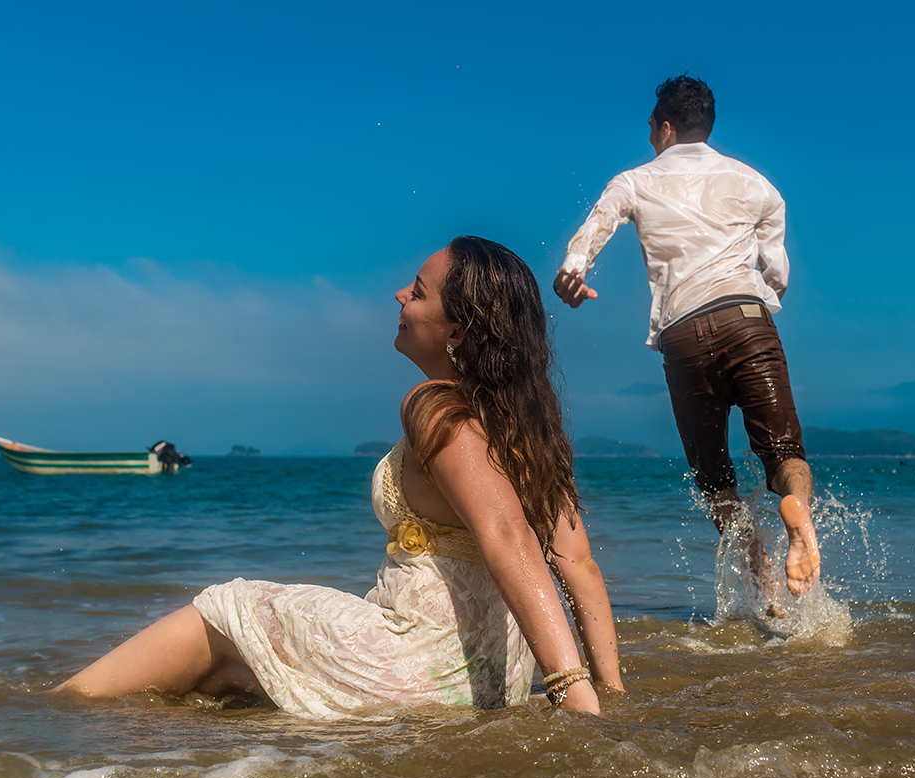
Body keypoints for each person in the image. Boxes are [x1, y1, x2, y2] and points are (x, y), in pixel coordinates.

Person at [55, 236, 623, 716]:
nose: (400, 295)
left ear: (456, 329)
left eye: (419, 291)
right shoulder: (530, 432)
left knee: (229, 610)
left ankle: (55, 709)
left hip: (415, 665)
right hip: (488, 681)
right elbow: (578, 563)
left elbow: (506, 536)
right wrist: (609, 691)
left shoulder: (433, 407)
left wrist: (570, 691)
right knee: (223, 685)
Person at [553, 75, 820, 611]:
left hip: (682, 335)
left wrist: (572, 273)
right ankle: (798, 514)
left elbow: (596, 227)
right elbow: (777, 269)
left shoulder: (635, 180)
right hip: (747, 318)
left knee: (714, 476)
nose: (651, 137)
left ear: (666, 127)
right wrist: (752, 299)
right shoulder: (756, 183)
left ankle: (762, 576)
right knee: (784, 452)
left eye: (652, 128)